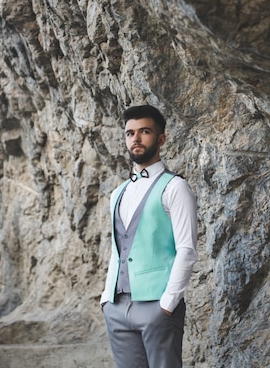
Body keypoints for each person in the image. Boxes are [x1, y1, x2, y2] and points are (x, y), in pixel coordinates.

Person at [100, 105, 198, 368]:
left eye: (144, 131)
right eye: (130, 133)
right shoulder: (117, 193)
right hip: (117, 306)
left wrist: (167, 304)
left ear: (161, 139)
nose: (136, 138)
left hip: (157, 306)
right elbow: (117, 249)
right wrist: (106, 300)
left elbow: (186, 249)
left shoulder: (175, 187)